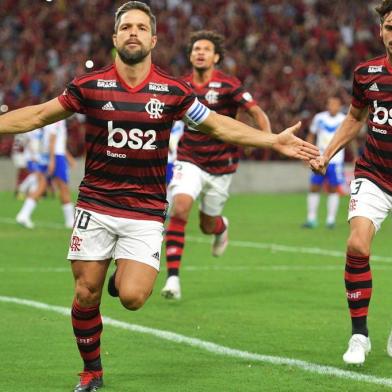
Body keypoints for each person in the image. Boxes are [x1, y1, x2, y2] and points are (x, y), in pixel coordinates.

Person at [0, 2, 318, 391]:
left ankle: (124, 274)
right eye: (126, 27)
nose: (133, 32)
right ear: (115, 37)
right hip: (96, 205)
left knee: (132, 297)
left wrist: (272, 140)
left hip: (146, 210)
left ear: (153, 38)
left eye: (140, 27)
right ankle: (92, 372)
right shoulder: (89, 86)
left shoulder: (173, 91)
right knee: (85, 294)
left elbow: (218, 125)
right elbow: (36, 116)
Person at [310, 0, 392, 366]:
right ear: (381, 31)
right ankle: (359, 335)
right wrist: (327, 153)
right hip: (374, 172)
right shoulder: (367, 73)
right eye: (390, 26)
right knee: (357, 245)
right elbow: (353, 119)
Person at [161, 30, 271, 300]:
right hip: (189, 159)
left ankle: (220, 227)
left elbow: (255, 112)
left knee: (206, 225)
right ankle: (173, 279)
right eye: (196, 48)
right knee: (180, 207)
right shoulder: (182, 86)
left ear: (216, 56)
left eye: (206, 49)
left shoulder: (228, 85)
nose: (200, 52)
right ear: (190, 55)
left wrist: (268, 140)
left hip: (222, 166)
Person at [16, 120, 75, 229]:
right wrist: (53, 160)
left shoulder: (51, 117)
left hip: (49, 154)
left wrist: (68, 157)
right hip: (56, 156)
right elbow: (53, 139)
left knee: (42, 186)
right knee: (63, 187)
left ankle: (23, 214)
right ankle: (70, 221)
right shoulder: (58, 118)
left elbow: (55, 141)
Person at [302, 96, 347, 229]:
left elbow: (349, 138)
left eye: (336, 104)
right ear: (327, 105)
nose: (333, 107)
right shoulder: (319, 118)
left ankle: (331, 220)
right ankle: (311, 219)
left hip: (336, 160)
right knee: (314, 187)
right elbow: (311, 135)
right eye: (331, 104)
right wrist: (307, 154)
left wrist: (355, 155)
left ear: (339, 106)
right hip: (319, 158)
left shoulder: (343, 119)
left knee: (333, 189)